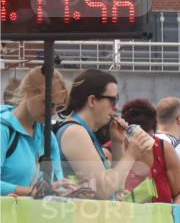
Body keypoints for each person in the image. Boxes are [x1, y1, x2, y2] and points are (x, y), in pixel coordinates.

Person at [58, 69, 155, 200]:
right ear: (92, 100)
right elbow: (102, 190)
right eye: (112, 100)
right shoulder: (75, 132)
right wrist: (131, 155)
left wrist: (117, 144)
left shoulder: (84, 132)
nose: (116, 107)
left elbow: (116, 186)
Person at [1, 67, 68, 196]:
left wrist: (68, 189)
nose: (53, 112)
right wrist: (31, 192)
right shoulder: (4, 130)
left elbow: (56, 181)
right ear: (28, 91)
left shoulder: (48, 137)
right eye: (48, 103)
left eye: (58, 107)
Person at [120, 98, 180, 204]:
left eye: (147, 136)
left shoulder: (163, 149)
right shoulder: (114, 149)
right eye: (136, 137)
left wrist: (171, 213)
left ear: (154, 131)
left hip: (161, 218)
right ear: (125, 133)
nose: (142, 142)